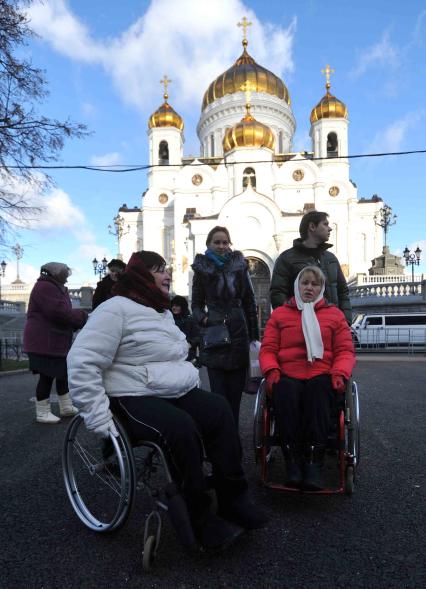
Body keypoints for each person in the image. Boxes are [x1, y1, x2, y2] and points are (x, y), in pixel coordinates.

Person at [67, 251, 266, 552]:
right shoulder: (114, 309)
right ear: (141, 276)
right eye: (160, 270)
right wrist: (98, 418)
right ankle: (199, 518)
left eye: (167, 268)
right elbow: (82, 361)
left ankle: (233, 499)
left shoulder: (161, 312)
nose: (168, 273)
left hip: (168, 390)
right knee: (180, 428)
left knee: (219, 411)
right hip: (130, 396)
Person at [259, 266, 355, 490]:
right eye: (305, 283)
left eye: (315, 284)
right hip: (288, 373)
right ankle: (292, 461)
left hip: (322, 373)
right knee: (285, 391)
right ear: (297, 286)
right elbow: (268, 349)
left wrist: (339, 373)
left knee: (318, 391)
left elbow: (344, 351)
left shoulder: (334, 315)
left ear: (322, 288)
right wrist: (272, 370)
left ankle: (313, 463)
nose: (309, 288)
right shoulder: (280, 314)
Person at [191, 226, 259, 428]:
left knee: (235, 396)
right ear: (209, 244)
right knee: (218, 396)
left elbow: (249, 302)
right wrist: (204, 320)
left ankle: (232, 437)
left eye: (224, 242)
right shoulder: (202, 270)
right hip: (214, 336)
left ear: (229, 244)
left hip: (238, 334)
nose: (221, 246)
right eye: (217, 242)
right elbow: (195, 305)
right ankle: (221, 437)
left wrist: (254, 337)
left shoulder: (240, 267)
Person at [23, 262, 88, 424]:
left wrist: (74, 320)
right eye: (65, 274)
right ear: (56, 274)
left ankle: (65, 407)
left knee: (62, 375)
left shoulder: (56, 287)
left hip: (54, 340)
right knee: (47, 376)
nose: (67, 277)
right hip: (44, 341)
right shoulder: (45, 287)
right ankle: (42, 412)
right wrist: (81, 316)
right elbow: (58, 312)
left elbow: (61, 313)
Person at [269, 210, 352, 324]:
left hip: (332, 327)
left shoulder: (331, 258)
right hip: (301, 328)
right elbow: (278, 294)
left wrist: (345, 321)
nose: (330, 228)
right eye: (325, 224)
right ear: (312, 227)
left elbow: (343, 292)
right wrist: (292, 323)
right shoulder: (287, 258)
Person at [171, 295, 199, 364]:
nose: (174, 308)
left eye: (177, 306)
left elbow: (198, 336)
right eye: (173, 305)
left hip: (188, 356)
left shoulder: (190, 320)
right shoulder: (169, 320)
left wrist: (190, 344)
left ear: (182, 307)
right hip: (172, 355)